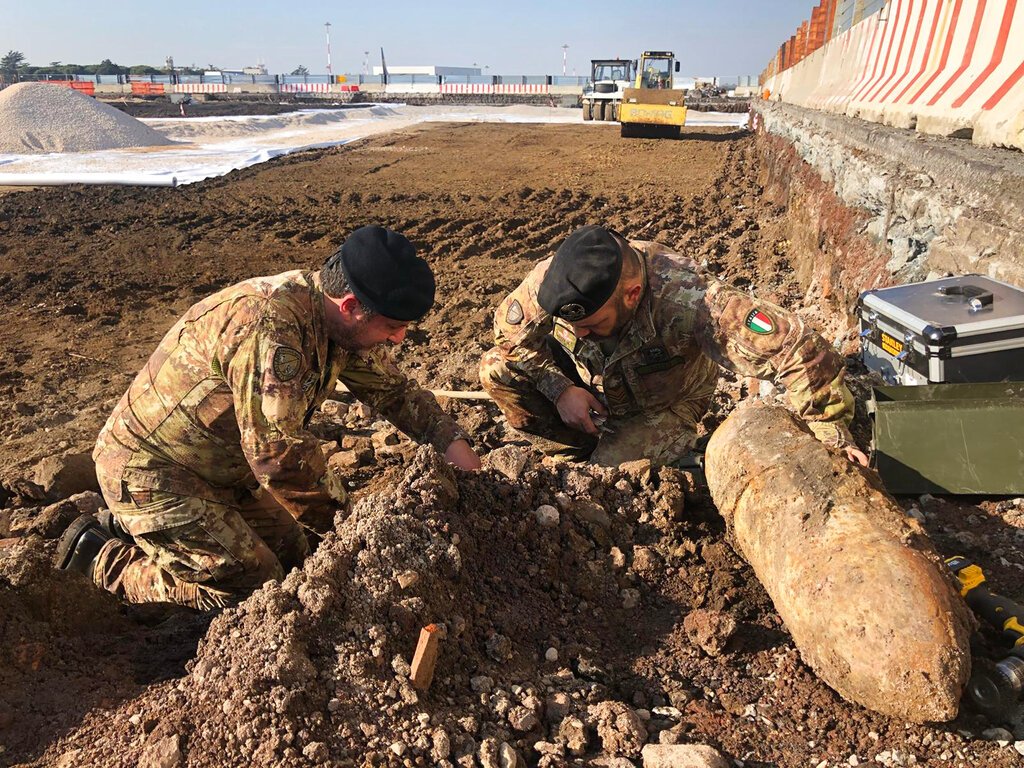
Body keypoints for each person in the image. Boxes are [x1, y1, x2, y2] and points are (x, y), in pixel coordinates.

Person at [56, 225, 481, 610]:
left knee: (299, 555)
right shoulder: (272, 328)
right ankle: (103, 556)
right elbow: (278, 458)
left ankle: (149, 530)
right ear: (351, 305)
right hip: (152, 472)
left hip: (225, 470)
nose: (400, 337)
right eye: (393, 326)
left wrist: (455, 448)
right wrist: (359, 530)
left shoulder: (335, 324)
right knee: (256, 587)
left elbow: (396, 393)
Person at [480, 224, 869, 468]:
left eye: (592, 325)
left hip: (664, 404)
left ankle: (608, 458)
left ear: (632, 296)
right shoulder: (555, 279)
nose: (580, 334)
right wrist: (561, 389)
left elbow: (800, 347)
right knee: (495, 367)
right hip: (593, 390)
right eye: (573, 326)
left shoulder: (691, 299)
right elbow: (508, 333)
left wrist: (831, 437)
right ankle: (574, 451)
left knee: (612, 474)